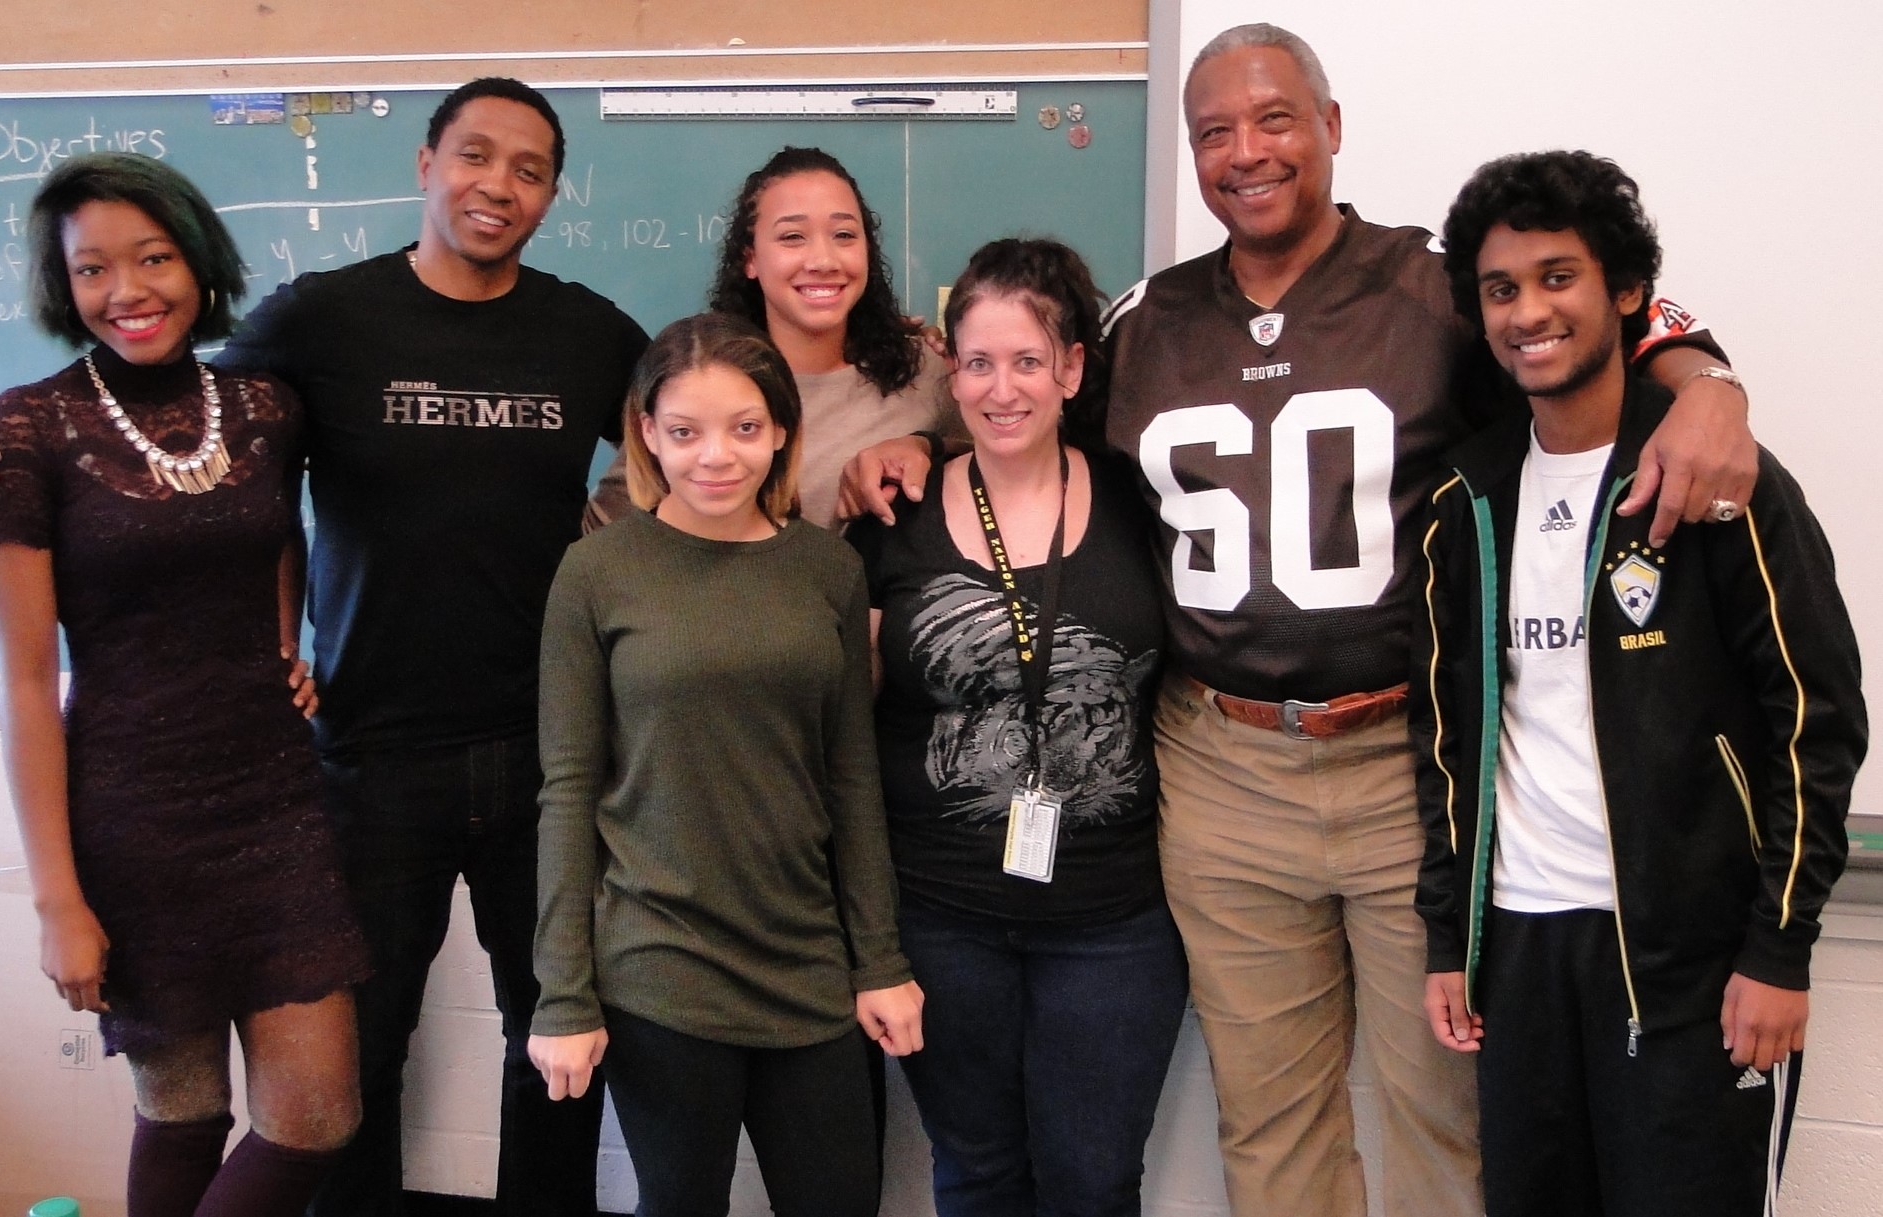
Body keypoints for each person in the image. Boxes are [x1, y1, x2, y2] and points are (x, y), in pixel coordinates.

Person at [837, 23, 1758, 1217]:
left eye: (1274, 118)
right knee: (1268, 1120)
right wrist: (920, 440)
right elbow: (1021, 414)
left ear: (1331, 126)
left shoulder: (1433, 280)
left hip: (1401, 761)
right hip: (1220, 765)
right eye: (1212, 131)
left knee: (1443, 1104)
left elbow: (1597, 323)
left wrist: (1710, 383)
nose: (1245, 151)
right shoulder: (1145, 319)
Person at [171, 78, 647, 1216]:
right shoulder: (322, 318)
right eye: (477, 156)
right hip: (367, 750)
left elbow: (704, 432)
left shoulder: (587, 331)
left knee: (558, 1042)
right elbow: (200, 451)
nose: (499, 185)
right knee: (358, 1054)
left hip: (550, 751)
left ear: (549, 195)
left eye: (528, 169)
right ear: (429, 161)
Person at [1415, 148, 1866, 1216]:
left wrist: (1778, 946)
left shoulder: (1718, 482)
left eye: (1559, 277)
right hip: (1518, 954)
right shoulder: (1464, 501)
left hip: (1689, 961)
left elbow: (1817, 718)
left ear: (1627, 292)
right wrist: (1449, 937)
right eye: (1502, 288)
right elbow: (1446, 740)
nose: (1530, 310)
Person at [0, 153, 370, 1216]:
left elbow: (277, 536)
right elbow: (21, 677)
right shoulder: (23, 431)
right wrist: (58, 901)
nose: (127, 290)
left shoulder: (262, 408)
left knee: (316, 1114)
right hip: (131, 810)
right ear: (65, 286)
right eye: (93, 269)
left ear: (197, 259)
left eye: (152, 257)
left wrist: (290, 642)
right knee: (183, 1106)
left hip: (274, 793)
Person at [527, 312, 924, 1217]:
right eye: (684, 431)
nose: (716, 456)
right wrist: (563, 994)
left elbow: (851, 779)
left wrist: (878, 958)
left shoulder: (825, 567)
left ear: (782, 429)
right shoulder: (596, 572)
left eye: (745, 427)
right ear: (647, 434)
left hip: (809, 962)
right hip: (660, 967)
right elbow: (567, 793)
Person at [846, 237, 1186, 1214]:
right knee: (978, 1173)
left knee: (1092, 1180)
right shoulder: (893, 513)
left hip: (1113, 920)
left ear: (1073, 368)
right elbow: (850, 725)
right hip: (942, 913)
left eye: (1029, 360)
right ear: (951, 372)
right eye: (980, 362)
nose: (1004, 388)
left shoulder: (1139, 499)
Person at [589, 145, 959, 529]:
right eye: (793, 237)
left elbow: (1000, 465)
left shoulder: (924, 370)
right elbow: (606, 535)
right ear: (750, 258)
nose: (823, 260)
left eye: (844, 234)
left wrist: (922, 445)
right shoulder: (700, 380)